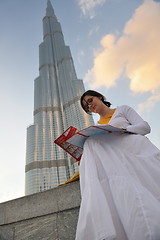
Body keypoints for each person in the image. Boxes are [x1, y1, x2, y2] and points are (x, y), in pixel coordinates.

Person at [75, 90, 160, 240]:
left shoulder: (122, 110)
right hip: (113, 154)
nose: (90, 106)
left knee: (92, 143)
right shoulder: (97, 127)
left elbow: (145, 127)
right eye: (86, 107)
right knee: (90, 143)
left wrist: (123, 130)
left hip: (132, 145)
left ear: (99, 97)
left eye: (90, 100)